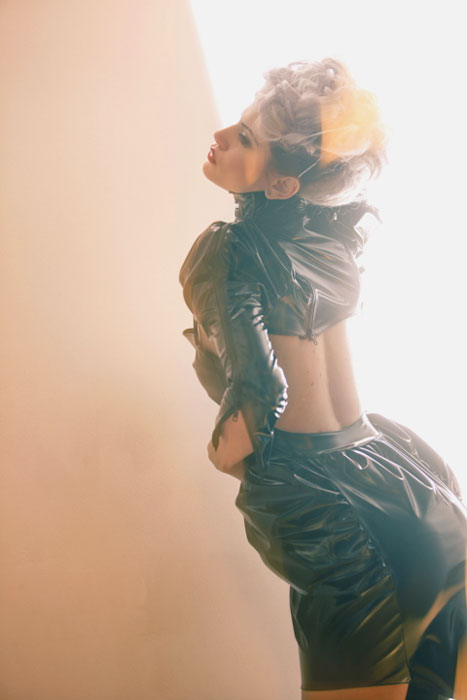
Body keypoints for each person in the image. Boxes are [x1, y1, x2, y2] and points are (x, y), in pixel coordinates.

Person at [179, 57, 467, 700]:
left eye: (244, 137)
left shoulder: (228, 248)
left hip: (334, 520)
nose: (221, 136)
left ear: (282, 184)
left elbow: (261, 394)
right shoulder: (334, 240)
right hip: (415, 486)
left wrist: (223, 455)